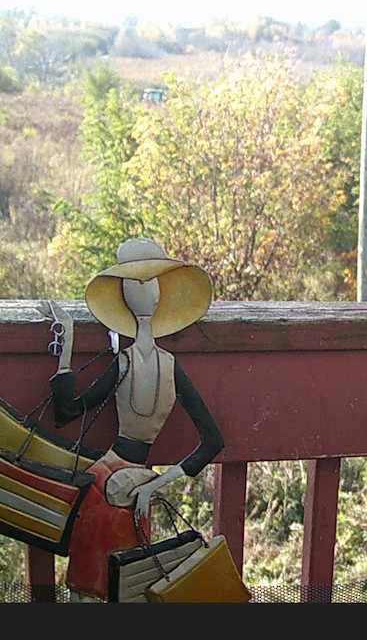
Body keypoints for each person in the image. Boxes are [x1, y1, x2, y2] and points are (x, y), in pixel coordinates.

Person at [40, 237, 224, 602]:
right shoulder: (169, 367)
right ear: (158, 299)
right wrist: (153, 486)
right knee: (128, 585)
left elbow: (68, 412)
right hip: (135, 484)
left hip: (105, 482)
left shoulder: (124, 363)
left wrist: (68, 342)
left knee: (95, 588)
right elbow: (213, 442)